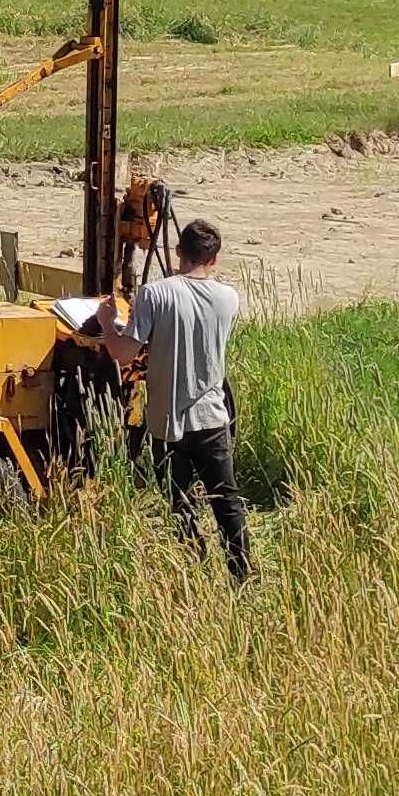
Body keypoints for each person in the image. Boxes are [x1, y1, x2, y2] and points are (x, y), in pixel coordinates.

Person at [122, 216, 253, 581]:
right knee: (226, 500)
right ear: (215, 258)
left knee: (178, 501)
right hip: (212, 418)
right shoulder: (230, 298)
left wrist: (105, 325)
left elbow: (124, 353)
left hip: (168, 421)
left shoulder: (155, 293)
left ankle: (192, 563)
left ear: (177, 251)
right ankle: (241, 573)